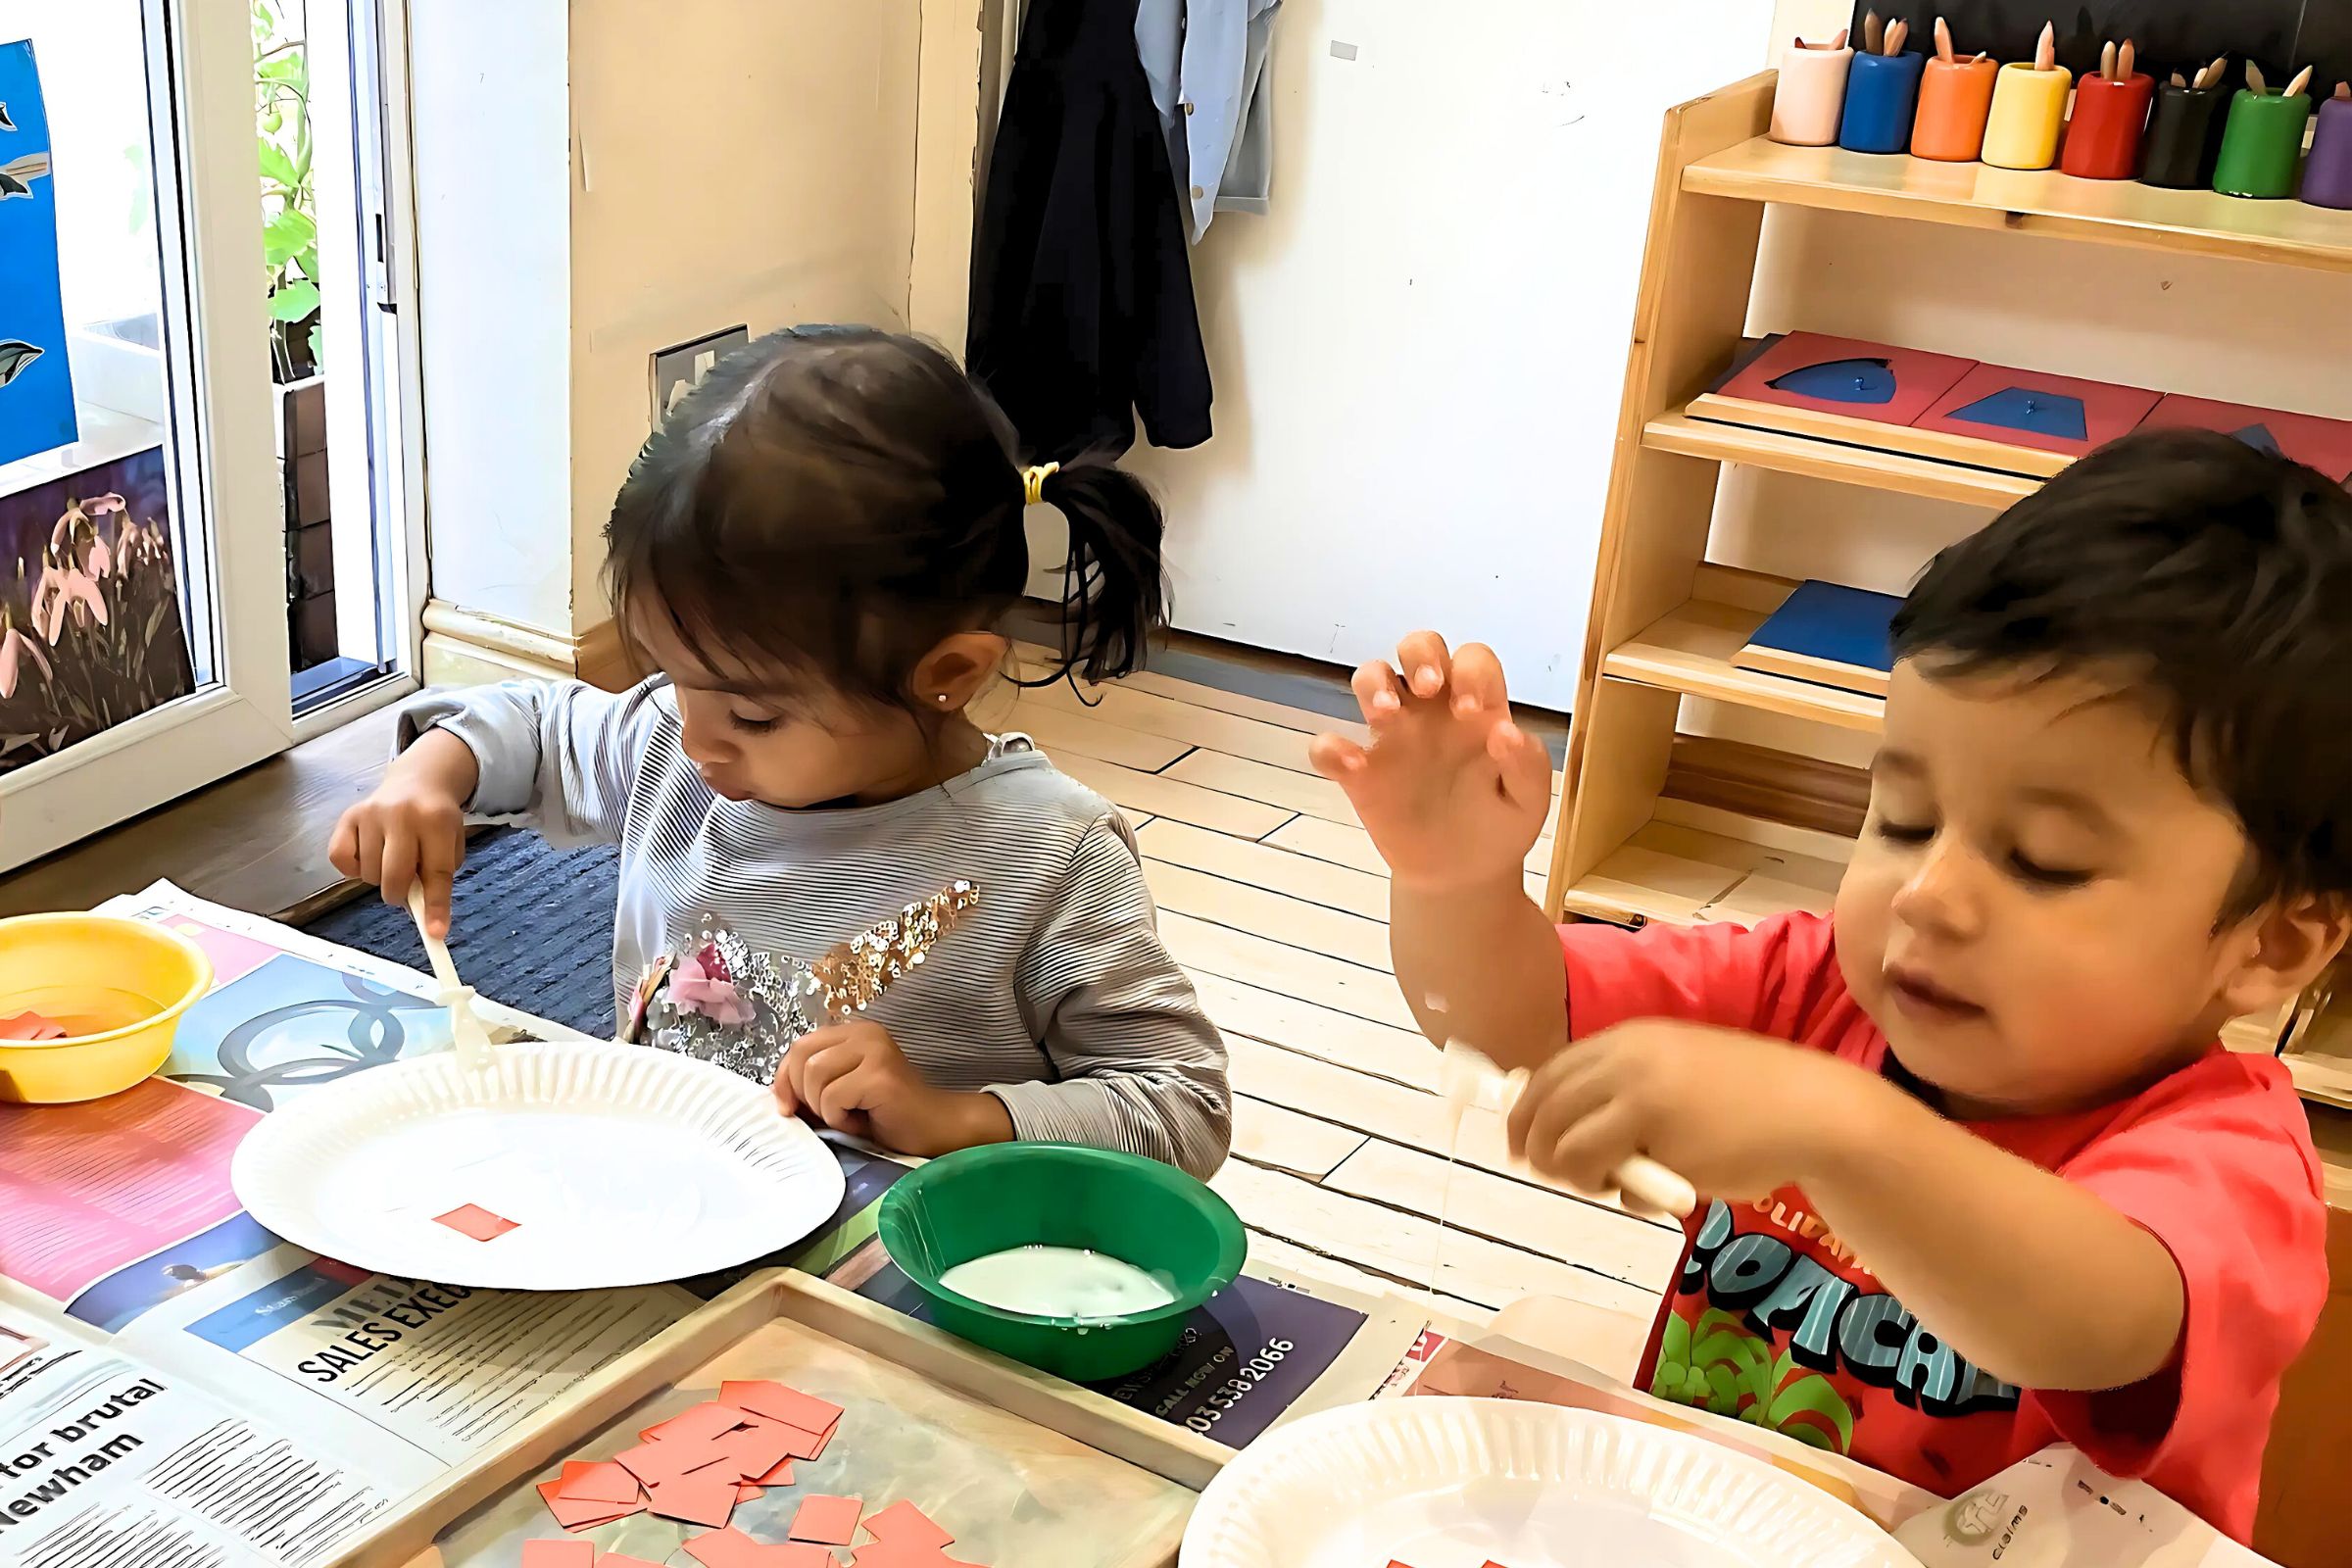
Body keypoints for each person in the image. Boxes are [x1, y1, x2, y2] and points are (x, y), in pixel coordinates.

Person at [1313, 430, 2350, 1538]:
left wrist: (1838, 1129)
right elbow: (1507, 1021)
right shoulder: (1815, 990)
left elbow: (2095, 1318)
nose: (1930, 896)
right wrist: (1456, 879)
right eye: (1902, 818)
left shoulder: (2227, 1157)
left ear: (2274, 944)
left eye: (2043, 859)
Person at [330, 326, 1230, 1179]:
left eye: (754, 717)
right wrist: (431, 773)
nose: (694, 734)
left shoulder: (1049, 853)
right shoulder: (672, 749)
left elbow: (1179, 1105)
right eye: (674, 676)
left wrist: (957, 1118)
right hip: (669, 1189)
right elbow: (532, 723)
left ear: (946, 673)